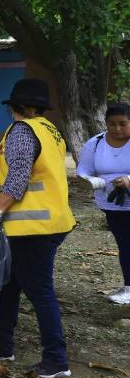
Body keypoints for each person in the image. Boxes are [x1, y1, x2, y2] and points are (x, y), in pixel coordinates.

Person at [0, 78, 76, 378]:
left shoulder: (22, 131)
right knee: (8, 286)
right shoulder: (50, 131)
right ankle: (0, 347)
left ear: (16, 106)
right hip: (47, 222)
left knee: (40, 291)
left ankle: (57, 360)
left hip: (34, 226)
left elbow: (18, 178)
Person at [76, 102, 130, 304]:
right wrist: (91, 180)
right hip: (112, 204)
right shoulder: (95, 143)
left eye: (123, 124)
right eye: (112, 124)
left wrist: (128, 180)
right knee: (125, 245)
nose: (117, 129)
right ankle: (128, 287)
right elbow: (83, 170)